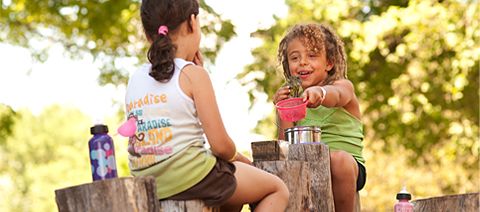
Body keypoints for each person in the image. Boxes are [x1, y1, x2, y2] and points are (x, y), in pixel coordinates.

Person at [122, 0, 289, 211]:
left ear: (148, 35)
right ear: (192, 22)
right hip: (192, 176)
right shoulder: (193, 74)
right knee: (277, 189)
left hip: (148, 182)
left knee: (231, 191)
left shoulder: (135, 79)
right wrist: (238, 158)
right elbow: (220, 146)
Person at [273, 23, 366, 212]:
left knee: (337, 160)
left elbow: (337, 95)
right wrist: (283, 110)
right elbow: (285, 146)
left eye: (312, 56)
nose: (303, 62)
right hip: (307, 169)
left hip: (348, 168)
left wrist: (321, 93)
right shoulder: (296, 100)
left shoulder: (343, 86)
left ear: (329, 62)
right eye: (295, 58)